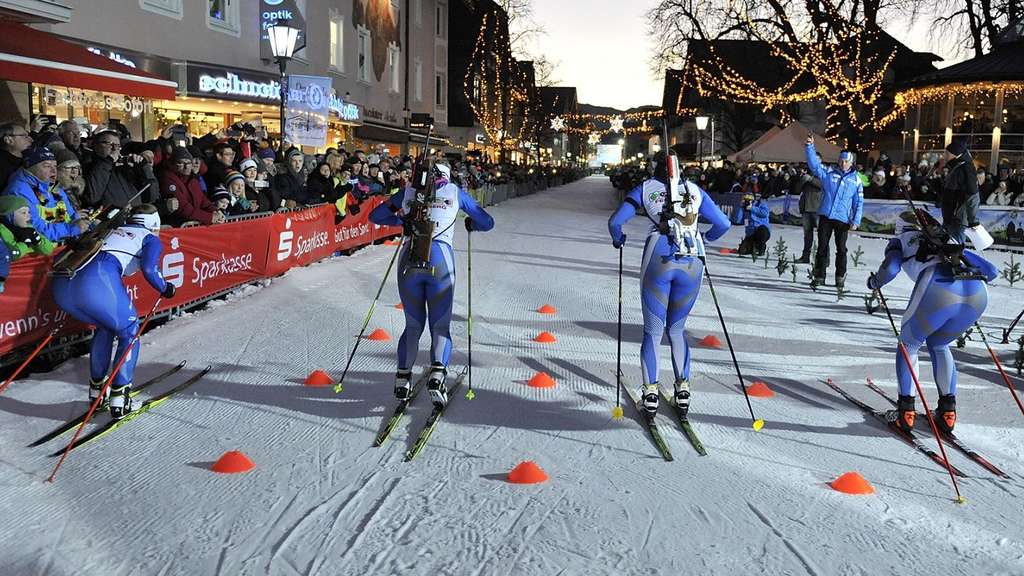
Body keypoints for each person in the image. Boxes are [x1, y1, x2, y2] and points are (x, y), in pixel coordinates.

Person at [607, 153, 731, 415]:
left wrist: (619, 238)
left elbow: (616, 221)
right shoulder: (694, 190)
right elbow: (723, 223)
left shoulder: (646, 188)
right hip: (692, 260)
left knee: (653, 330)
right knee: (677, 329)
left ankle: (651, 393)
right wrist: (705, 238)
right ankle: (683, 391)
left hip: (659, 256)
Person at [369, 160, 494, 407]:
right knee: (440, 325)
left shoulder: (407, 192)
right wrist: (472, 224)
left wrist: (402, 222)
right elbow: (487, 222)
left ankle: (402, 379)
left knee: (413, 324)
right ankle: (437, 374)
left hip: (410, 260)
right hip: (441, 261)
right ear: (447, 176)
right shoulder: (454, 191)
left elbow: (376, 215)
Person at [867, 210, 997, 433]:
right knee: (939, 344)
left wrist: (874, 282)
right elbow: (991, 272)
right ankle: (947, 412)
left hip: (937, 288)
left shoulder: (900, 240)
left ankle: (905, 412)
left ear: (899, 227)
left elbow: (890, 268)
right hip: (977, 294)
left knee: (909, 345)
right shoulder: (946, 237)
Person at [51, 204, 175, 419]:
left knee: (106, 327)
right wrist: (166, 288)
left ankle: (98, 393)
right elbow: (149, 269)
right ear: (154, 224)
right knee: (129, 331)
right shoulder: (149, 237)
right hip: (95, 281)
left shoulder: (110, 230)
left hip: (62, 285)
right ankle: (120, 400)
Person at [805, 134, 864, 290]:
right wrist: (810, 146)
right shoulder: (829, 173)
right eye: (841, 160)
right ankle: (819, 276)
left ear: (851, 163)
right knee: (822, 247)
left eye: (846, 161)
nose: (843, 163)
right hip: (826, 216)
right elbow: (814, 166)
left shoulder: (856, 180)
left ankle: (840, 277)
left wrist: (856, 221)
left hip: (843, 220)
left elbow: (859, 203)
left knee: (841, 249)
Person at [3, 147, 88, 242]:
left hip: (63, 245)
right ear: (30, 167)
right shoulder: (18, 192)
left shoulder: (54, 187)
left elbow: (66, 215)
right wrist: (72, 229)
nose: (53, 171)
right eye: (47, 166)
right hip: (41, 253)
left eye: (55, 166)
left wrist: (77, 219)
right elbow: (36, 231)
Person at [83, 130, 158, 209]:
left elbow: (151, 197)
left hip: (135, 216)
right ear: (96, 146)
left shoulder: (125, 168)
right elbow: (92, 197)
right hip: (110, 219)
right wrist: (108, 161)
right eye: (109, 144)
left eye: (117, 145)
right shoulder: (89, 167)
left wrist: (143, 167)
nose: (114, 149)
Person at [159, 147, 224, 226]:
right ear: (172, 164)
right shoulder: (168, 179)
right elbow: (183, 208)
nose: (186, 167)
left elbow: (203, 200)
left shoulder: (193, 179)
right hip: (177, 227)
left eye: (189, 163)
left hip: (193, 225)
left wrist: (216, 211)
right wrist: (210, 217)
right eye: (181, 163)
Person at [941, 140, 980, 243]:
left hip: (957, 218)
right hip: (951, 216)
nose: (944, 155)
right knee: (946, 248)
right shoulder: (957, 167)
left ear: (955, 154)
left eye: (947, 153)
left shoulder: (966, 169)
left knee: (955, 248)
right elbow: (951, 191)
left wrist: (973, 221)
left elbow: (973, 195)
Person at [795, 168, 822, 263]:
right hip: (806, 209)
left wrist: (811, 179)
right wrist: (801, 179)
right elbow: (797, 189)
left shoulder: (822, 173)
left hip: (817, 210)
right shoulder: (806, 175)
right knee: (807, 236)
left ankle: (823, 259)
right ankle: (805, 256)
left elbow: (823, 185)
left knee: (822, 236)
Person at [0, 122, 33, 188]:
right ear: (8, 140)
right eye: (25, 136)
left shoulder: (27, 160)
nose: (31, 140)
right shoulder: (2, 166)